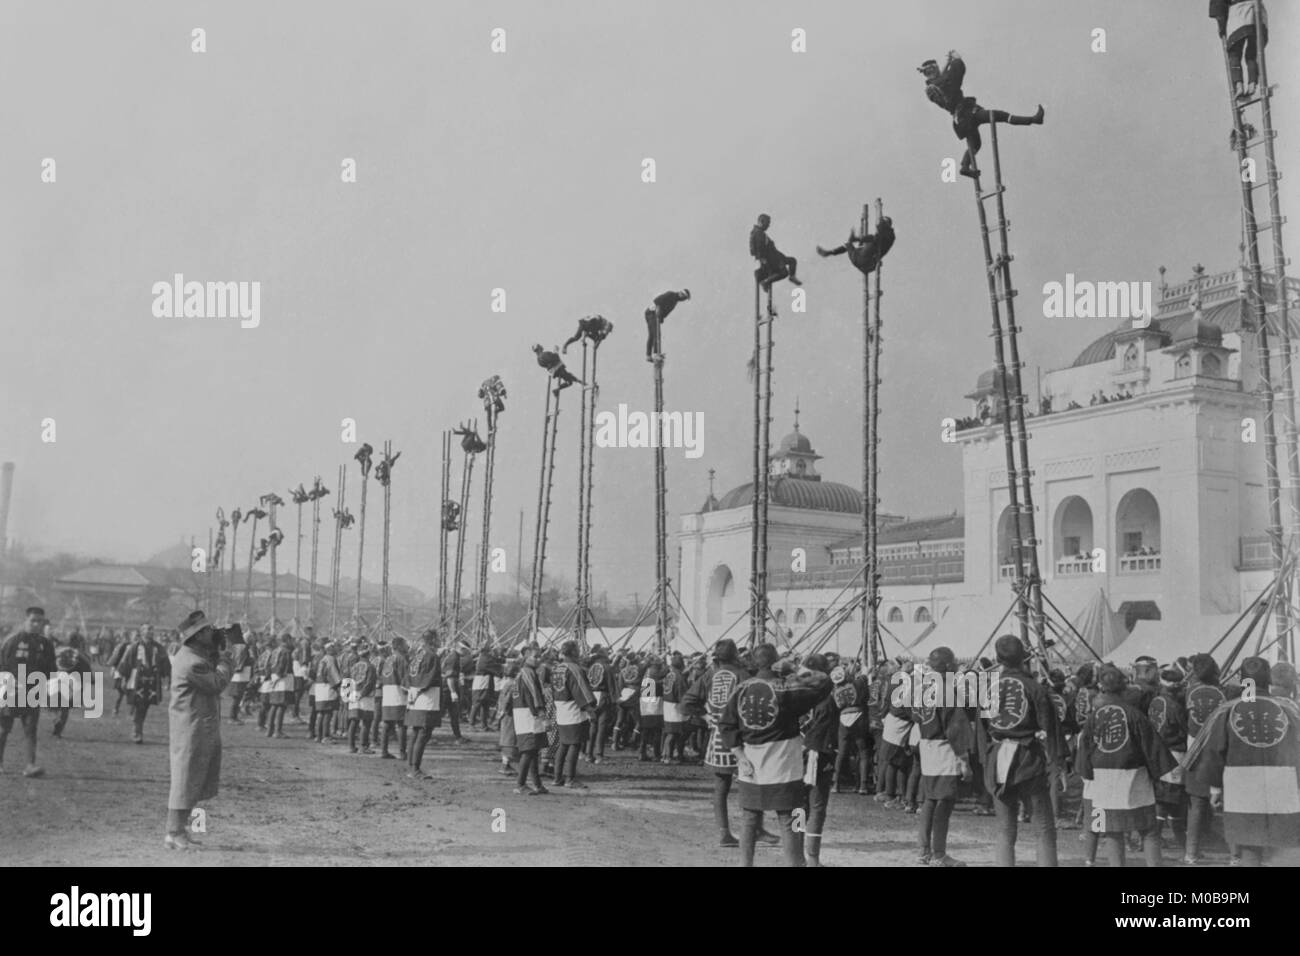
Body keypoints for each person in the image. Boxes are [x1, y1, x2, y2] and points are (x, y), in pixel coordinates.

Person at [719, 643, 832, 867]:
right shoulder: (786, 688)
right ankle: (796, 861)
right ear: (777, 660)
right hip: (784, 761)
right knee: (794, 815)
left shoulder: (741, 689)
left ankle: (745, 864)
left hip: (750, 760)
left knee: (750, 817)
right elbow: (824, 681)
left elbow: (726, 725)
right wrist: (794, 666)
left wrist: (739, 755)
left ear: (754, 662)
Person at [1187, 656, 1299, 866]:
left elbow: (1209, 752)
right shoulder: (1291, 709)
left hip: (1242, 788)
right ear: (1268, 680)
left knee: (1249, 848)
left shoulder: (1226, 710)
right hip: (1283, 786)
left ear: (1243, 680)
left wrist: (1215, 789)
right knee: (1282, 850)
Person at [1079, 664, 1177, 868]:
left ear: (1101, 687)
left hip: (1102, 778)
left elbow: (1084, 748)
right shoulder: (1135, 715)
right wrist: (1159, 775)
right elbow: (1152, 748)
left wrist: (1086, 773)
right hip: (1134, 776)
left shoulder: (1093, 717)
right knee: (1148, 829)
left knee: (1113, 831)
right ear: (1125, 688)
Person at [979, 634, 1060, 866]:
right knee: (1043, 827)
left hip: (998, 758)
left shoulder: (989, 689)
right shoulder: (1035, 688)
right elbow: (1050, 729)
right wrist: (1056, 764)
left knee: (1005, 829)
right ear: (1024, 658)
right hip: (1028, 759)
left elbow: (982, 730)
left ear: (998, 658)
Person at [684, 638, 763, 848]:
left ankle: (724, 833)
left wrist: (705, 717)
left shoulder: (709, 675)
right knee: (752, 783)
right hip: (741, 737)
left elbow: (688, 701)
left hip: (718, 738)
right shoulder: (743, 676)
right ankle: (756, 829)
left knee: (721, 787)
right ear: (736, 655)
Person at [165, 611, 233, 851]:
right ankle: (174, 832)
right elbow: (217, 683)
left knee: (194, 779)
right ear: (196, 636)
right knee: (185, 780)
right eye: (206, 631)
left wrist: (217, 652)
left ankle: (180, 830)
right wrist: (226, 659)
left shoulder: (193, 655)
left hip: (197, 725)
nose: (211, 634)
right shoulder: (192, 662)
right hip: (191, 727)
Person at [919, 51, 1044, 178]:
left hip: (961, 118)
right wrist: (957, 60)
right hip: (967, 113)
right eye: (929, 72)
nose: (933, 73)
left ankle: (964, 167)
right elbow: (954, 76)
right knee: (999, 115)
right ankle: (1034, 119)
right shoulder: (939, 84)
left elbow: (946, 79)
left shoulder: (933, 87)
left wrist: (949, 64)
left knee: (975, 145)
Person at [915, 647, 975, 867]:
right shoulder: (946, 690)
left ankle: (923, 851)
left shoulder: (922, 686)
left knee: (930, 800)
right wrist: (964, 760)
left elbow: (914, 714)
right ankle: (939, 854)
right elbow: (955, 729)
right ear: (948, 666)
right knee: (945, 801)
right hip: (943, 748)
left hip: (926, 745)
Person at [0, 607, 57, 777]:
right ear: (26, 620)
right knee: (3, 729)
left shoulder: (46, 644)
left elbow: (51, 670)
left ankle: (30, 766)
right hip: (11, 689)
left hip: (33, 691)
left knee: (31, 729)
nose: (37, 624)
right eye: (33, 620)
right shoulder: (12, 641)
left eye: (40, 621)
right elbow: (2, 665)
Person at [1182, 653, 1227, 864]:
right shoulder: (1224, 692)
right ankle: (1235, 853)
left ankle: (1191, 852)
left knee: (1197, 804)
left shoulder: (1188, 692)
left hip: (1195, 751)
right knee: (1226, 804)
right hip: (1219, 749)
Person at [799, 653, 840, 867]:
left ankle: (795, 851)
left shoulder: (796, 693)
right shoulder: (825, 699)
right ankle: (812, 858)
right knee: (817, 806)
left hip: (796, 751)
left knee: (799, 804)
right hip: (817, 753)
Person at [551, 640, 597, 788]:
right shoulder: (574, 669)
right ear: (574, 653)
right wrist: (590, 708)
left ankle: (557, 778)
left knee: (563, 744)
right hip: (573, 709)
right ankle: (570, 779)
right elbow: (581, 690)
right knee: (575, 744)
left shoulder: (558, 668)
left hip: (560, 708)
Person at [1211, 0, 1269, 101]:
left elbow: (1218, 7)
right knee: (1253, 53)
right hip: (1258, 12)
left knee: (1234, 54)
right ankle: (1252, 83)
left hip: (1240, 13)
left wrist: (1221, 27)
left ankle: (1239, 86)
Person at [405, 629, 443, 779]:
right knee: (423, 733)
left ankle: (411, 765)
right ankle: (415, 769)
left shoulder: (417, 655)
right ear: (433, 640)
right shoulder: (432, 656)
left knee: (415, 732)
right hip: (426, 697)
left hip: (414, 695)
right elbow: (430, 678)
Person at [123, 624, 169, 745]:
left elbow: (165, 662)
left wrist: (167, 676)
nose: (150, 632)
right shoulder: (135, 646)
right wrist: (124, 678)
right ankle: (137, 732)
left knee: (145, 706)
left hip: (152, 681)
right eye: (147, 629)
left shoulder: (158, 647)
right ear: (142, 632)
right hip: (138, 680)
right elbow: (127, 662)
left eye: (151, 629)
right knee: (139, 705)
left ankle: (137, 725)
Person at [513, 646, 550, 795]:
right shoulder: (527, 673)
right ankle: (520, 784)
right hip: (528, 714)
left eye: (539, 656)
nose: (538, 659)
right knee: (528, 750)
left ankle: (537, 784)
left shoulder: (523, 672)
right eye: (535, 656)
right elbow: (534, 695)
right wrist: (541, 714)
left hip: (523, 712)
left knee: (533, 750)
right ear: (526, 657)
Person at [832, 664, 873, 794]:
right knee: (863, 751)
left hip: (843, 717)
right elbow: (864, 677)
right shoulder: (856, 684)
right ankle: (863, 785)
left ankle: (835, 784)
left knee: (842, 752)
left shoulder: (835, 691)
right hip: (858, 716)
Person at [816, 216, 896, 276]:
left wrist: (858, 239)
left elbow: (873, 238)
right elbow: (873, 239)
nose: (878, 225)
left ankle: (829, 252)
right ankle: (830, 252)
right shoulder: (886, 236)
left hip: (862, 260)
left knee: (849, 244)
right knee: (852, 245)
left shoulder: (884, 235)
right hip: (866, 265)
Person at [50, 640, 93, 738]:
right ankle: (59, 727)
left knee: (53, 705)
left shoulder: (56, 653)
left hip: (56, 679)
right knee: (65, 708)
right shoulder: (81, 657)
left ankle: (56, 718)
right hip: (72, 682)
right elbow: (86, 670)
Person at [749, 214, 801, 291]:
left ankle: (791, 277)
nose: (768, 225)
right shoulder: (758, 233)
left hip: (775, 257)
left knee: (792, 261)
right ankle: (765, 281)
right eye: (767, 223)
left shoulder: (758, 232)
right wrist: (762, 259)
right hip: (771, 259)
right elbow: (758, 249)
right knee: (784, 272)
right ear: (762, 222)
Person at [584, 645, 617, 763]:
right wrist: (614, 700)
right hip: (603, 696)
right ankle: (599, 755)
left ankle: (588, 754)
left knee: (593, 726)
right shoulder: (607, 667)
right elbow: (612, 685)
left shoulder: (591, 667)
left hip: (592, 696)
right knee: (601, 727)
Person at [379, 636, 409, 760]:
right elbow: (405, 678)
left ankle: (383, 751)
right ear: (400, 646)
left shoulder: (388, 659)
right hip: (397, 692)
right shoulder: (401, 659)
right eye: (405, 644)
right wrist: (409, 692)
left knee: (387, 723)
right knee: (402, 724)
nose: (407, 646)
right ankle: (402, 753)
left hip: (387, 692)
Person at [346, 643, 377, 755]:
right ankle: (363, 746)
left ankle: (351, 746)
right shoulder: (371, 667)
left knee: (354, 721)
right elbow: (369, 683)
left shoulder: (353, 667)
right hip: (365, 697)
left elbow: (347, 680)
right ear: (368, 654)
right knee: (366, 721)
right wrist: (362, 694)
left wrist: (348, 695)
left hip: (353, 694)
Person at [643, 290, 690, 362]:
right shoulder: (671, 294)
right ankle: (656, 354)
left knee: (652, 335)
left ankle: (649, 356)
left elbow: (665, 312)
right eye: (684, 297)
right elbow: (658, 300)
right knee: (657, 334)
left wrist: (661, 318)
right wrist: (658, 310)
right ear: (681, 294)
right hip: (652, 313)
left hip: (653, 314)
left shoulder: (674, 302)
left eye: (685, 298)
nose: (683, 299)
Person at [312, 642, 342, 744]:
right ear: (329, 649)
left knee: (321, 712)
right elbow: (334, 675)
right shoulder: (330, 659)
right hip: (326, 687)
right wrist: (339, 688)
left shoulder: (322, 659)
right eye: (334, 648)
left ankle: (319, 736)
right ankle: (325, 736)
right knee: (327, 712)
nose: (336, 649)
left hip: (319, 687)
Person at [266, 632, 295, 739]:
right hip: (283, 680)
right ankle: (277, 731)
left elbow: (268, 665)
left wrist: (272, 678)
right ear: (287, 640)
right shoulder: (286, 651)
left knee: (274, 705)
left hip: (274, 678)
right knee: (281, 706)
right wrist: (278, 676)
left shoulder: (274, 651)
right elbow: (283, 665)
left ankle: (269, 730)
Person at [662, 652, 689, 764]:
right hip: (675, 706)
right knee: (673, 733)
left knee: (672, 732)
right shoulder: (679, 677)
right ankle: (668, 756)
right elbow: (682, 694)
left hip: (667, 705)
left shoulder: (669, 674)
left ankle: (669, 755)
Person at [227, 629, 252, 723]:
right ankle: (232, 717)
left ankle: (234, 716)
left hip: (240, 675)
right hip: (240, 675)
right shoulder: (243, 647)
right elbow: (240, 661)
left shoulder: (239, 647)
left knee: (238, 698)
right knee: (237, 698)